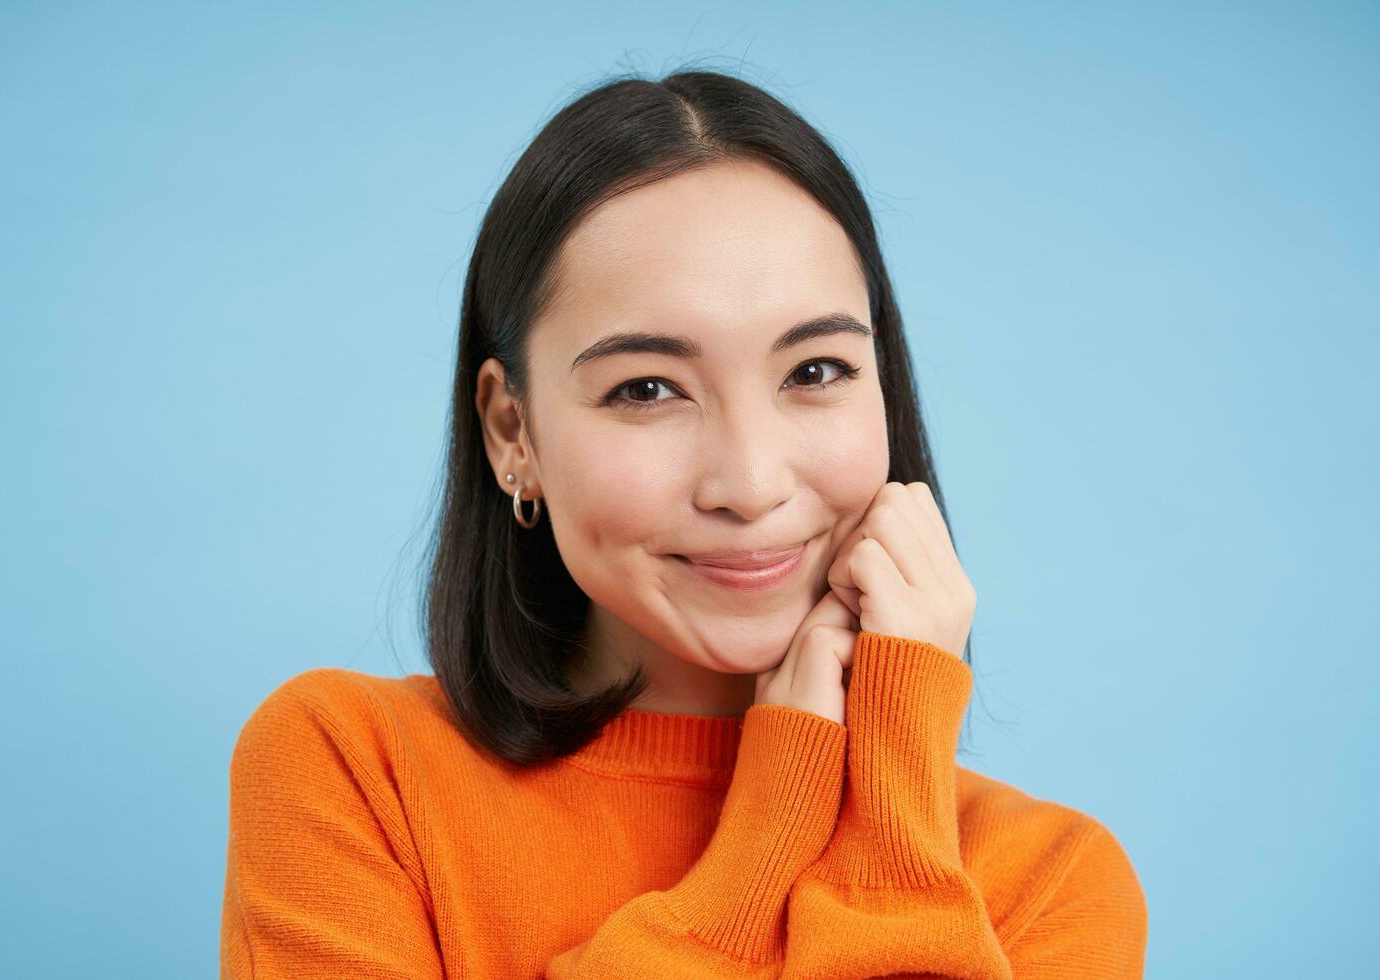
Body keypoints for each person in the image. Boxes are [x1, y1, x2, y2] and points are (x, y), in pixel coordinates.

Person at [219, 68, 1148, 978]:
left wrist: (890, 813)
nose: (748, 483)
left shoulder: (1049, 886)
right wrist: (758, 851)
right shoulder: (354, 774)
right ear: (514, 432)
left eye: (815, 371)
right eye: (647, 388)